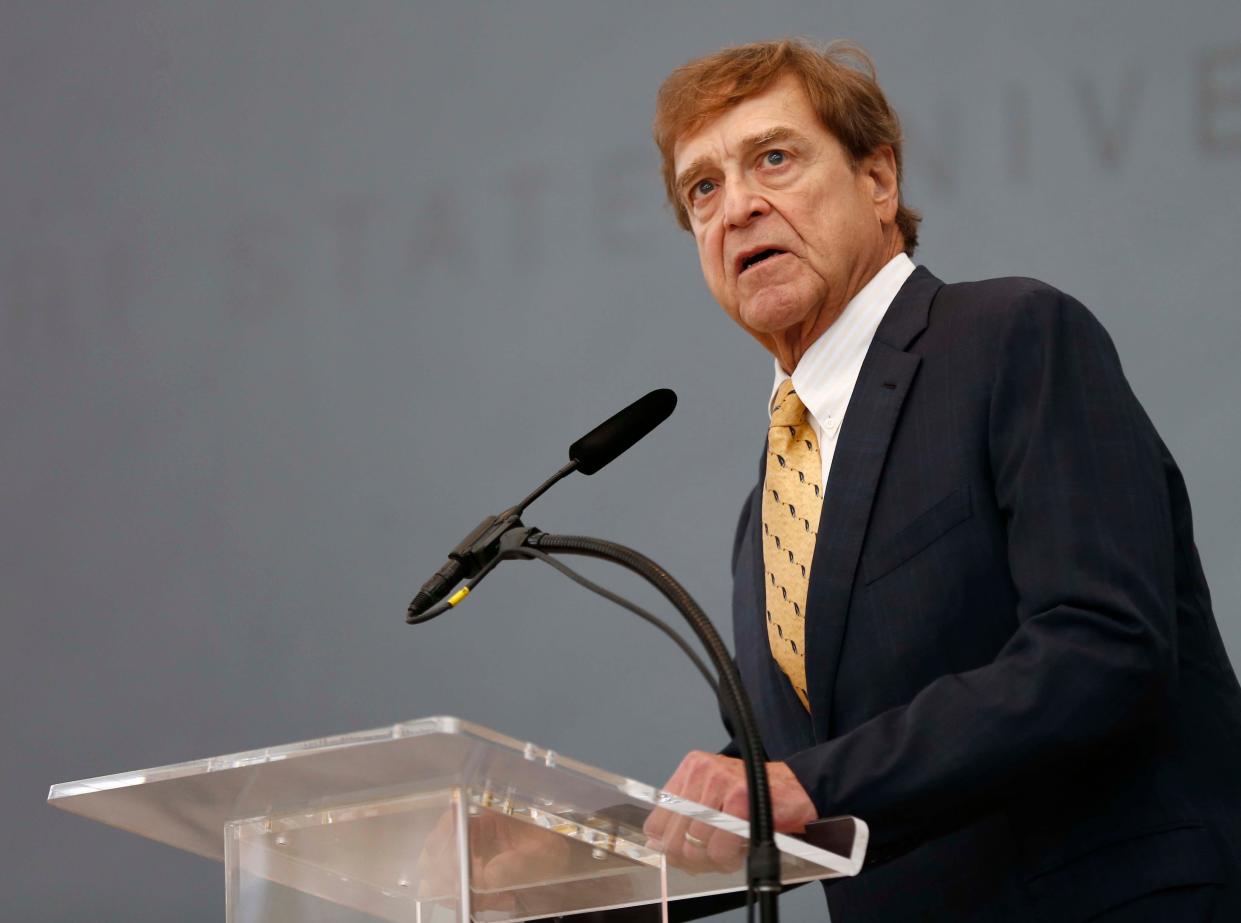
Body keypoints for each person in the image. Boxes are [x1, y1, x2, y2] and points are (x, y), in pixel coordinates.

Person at [642, 38, 1241, 922]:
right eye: (702, 187)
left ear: (877, 180)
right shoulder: (762, 511)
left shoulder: (1010, 338)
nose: (736, 206)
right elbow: (778, 778)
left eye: (772, 157)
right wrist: (554, 859)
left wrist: (803, 782)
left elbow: (1102, 643)